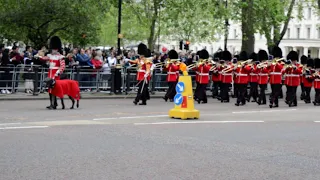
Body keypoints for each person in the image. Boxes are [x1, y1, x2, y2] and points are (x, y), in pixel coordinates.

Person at [39, 36, 65, 109]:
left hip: (56, 75)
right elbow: (43, 59)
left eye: (54, 49)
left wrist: (58, 72)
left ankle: (54, 104)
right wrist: (38, 56)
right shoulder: (50, 56)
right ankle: (52, 103)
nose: (52, 51)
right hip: (50, 73)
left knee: (54, 89)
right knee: (50, 89)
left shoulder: (60, 57)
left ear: (57, 50)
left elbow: (62, 66)